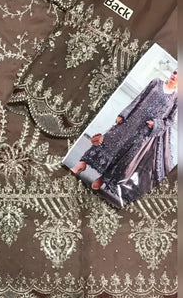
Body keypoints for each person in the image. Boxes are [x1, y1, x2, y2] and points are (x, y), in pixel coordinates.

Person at [71, 71, 177, 203]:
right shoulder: (156, 82)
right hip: (131, 120)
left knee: (124, 155)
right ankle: (82, 163)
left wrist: (155, 124)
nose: (175, 75)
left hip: (143, 132)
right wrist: (124, 114)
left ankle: (103, 179)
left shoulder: (176, 98)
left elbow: (169, 121)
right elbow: (139, 98)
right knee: (109, 141)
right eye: (175, 72)